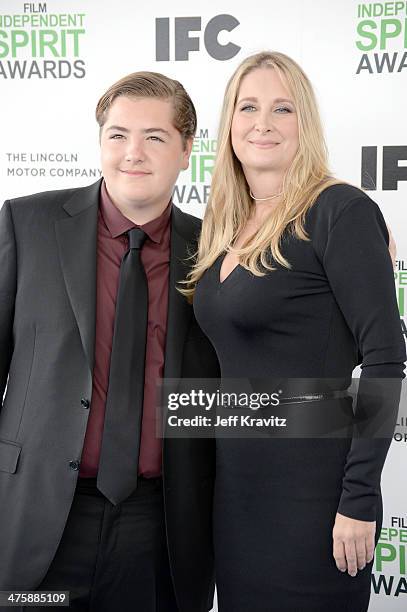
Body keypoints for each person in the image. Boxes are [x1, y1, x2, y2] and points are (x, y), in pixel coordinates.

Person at [183, 52, 406, 611]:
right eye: (248, 106)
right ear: (229, 122)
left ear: (304, 122)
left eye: (282, 108)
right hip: (235, 494)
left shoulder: (339, 210)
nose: (263, 123)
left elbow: (385, 358)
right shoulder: (225, 226)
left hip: (315, 495)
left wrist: (358, 500)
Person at [0, 71, 219, 612]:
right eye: (118, 135)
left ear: (187, 149)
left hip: (160, 528)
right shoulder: (26, 224)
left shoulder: (218, 248)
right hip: (38, 515)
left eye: (155, 137)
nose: (133, 153)